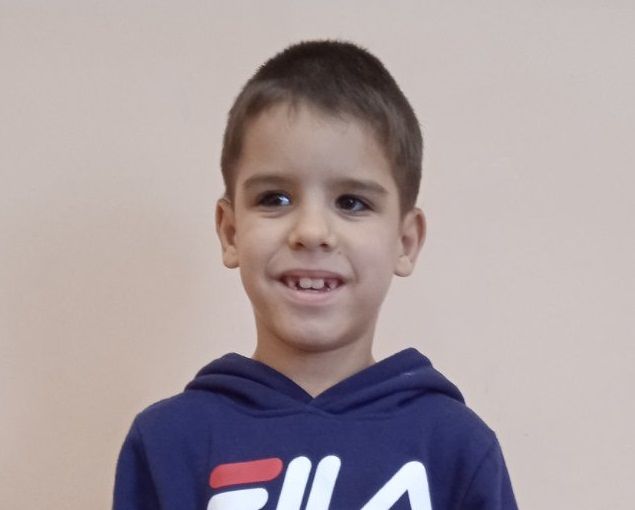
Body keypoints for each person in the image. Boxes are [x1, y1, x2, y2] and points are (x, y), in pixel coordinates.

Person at [113, 39, 518, 510]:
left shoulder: (457, 447)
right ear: (231, 231)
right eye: (275, 198)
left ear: (405, 242)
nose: (311, 232)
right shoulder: (167, 442)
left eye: (352, 202)